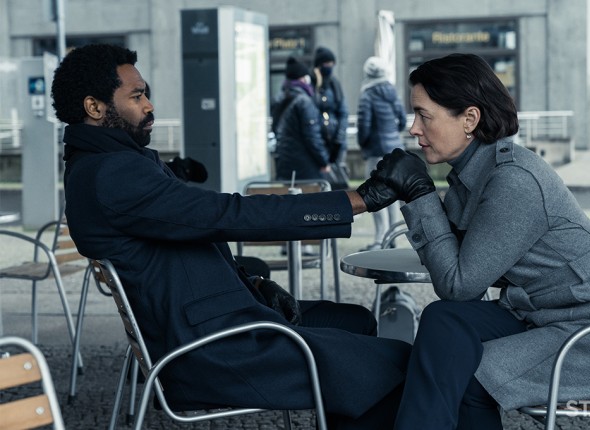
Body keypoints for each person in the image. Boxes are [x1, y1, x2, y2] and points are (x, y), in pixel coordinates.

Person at [52, 43, 411, 430]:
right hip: (214, 348)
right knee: (396, 365)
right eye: (137, 96)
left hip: (222, 319)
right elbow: (228, 215)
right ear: (94, 107)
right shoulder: (113, 174)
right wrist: (359, 200)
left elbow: (184, 245)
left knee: (356, 320)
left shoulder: (102, 164)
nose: (149, 106)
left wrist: (253, 283)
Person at [360, 53, 590, 429]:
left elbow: (459, 284)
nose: (413, 129)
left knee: (473, 376)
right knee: (445, 320)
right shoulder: (472, 173)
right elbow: (458, 276)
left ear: (469, 119)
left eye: (423, 115)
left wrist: (419, 193)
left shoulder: (513, 180)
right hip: (547, 314)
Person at [356, 56, 407, 251]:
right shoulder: (392, 91)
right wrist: (393, 134)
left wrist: (363, 144)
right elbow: (402, 120)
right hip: (395, 149)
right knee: (393, 193)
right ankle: (392, 237)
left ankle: (379, 239)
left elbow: (364, 126)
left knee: (374, 194)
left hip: (376, 150)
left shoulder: (367, 94)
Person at [272, 56, 330, 182]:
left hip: (284, 163)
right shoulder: (304, 102)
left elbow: (275, 129)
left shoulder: (279, 99)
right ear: (303, 78)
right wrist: (323, 161)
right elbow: (312, 136)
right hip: (305, 166)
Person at [311, 46, 349, 175]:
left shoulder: (335, 84)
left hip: (336, 143)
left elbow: (343, 113)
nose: (330, 66)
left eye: (332, 63)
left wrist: (339, 139)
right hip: (319, 143)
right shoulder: (312, 85)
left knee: (337, 178)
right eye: (326, 63)